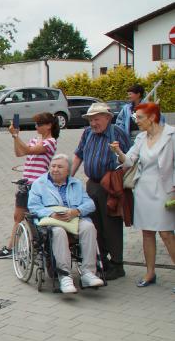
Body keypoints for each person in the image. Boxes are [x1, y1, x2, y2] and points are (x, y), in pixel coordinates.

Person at [110, 102, 175, 288]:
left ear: (152, 117)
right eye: (135, 117)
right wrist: (118, 152)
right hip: (143, 190)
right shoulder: (140, 138)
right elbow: (129, 161)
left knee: (166, 233)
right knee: (147, 233)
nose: (136, 121)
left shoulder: (171, 135)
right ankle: (150, 272)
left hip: (165, 189)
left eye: (139, 118)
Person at [28, 154, 105, 293]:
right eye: (53, 166)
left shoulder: (76, 184)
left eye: (59, 167)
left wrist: (77, 211)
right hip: (52, 220)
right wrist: (51, 214)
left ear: (68, 170)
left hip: (73, 218)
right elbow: (33, 206)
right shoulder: (39, 184)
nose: (55, 169)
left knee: (89, 227)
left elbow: (90, 204)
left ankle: (88, 273)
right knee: (58, 231)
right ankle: (64, 276)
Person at [71, 102, 131, 280]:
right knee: (94, 223)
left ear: (107, 118)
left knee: (111, 224)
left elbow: (129, 159)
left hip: (110, 185)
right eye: (90, 120)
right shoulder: (87, 133)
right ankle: (101, 260)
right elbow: (79, 154)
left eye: (96, 119)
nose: (93, 123)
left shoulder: (117, 133)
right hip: (92, 184)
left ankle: (117, 264)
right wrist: (69, 177)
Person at [0, 113, 59, 259]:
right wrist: (15, 137)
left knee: (33, 218)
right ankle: (14, 247)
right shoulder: (35, 140)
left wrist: (15, 136)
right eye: (36, 123)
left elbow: (28, 150)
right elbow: (19, 153)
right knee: (18, 217)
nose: (36, 126)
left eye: (39, 124)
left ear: (49, 125)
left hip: (37, 186)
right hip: (26, 184)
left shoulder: (50, 142)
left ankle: (26, 246)